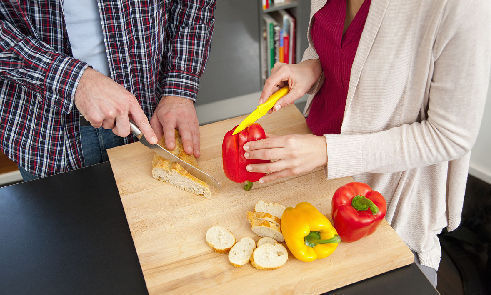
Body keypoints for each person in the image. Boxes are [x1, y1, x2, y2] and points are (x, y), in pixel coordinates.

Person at [244, 0, 490, 287]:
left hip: (385, 206)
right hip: (315, 173)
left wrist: (328, 151)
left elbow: (450, 136)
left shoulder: (463, 5)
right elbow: (340, 47)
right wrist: (312, 67)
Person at [0, 0, 215, 180]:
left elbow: (195, 5)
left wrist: (179, 87)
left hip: (151, 116)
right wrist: (75, 80)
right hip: (46, 135)